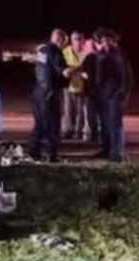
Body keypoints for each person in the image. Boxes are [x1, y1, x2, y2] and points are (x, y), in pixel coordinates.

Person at [29, 29, 71, 162]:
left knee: (40, 124)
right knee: (53, 125)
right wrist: (78, 70)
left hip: (38, 91)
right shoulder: (55, 52)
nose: (64, 46)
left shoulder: (42, 50)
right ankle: (51, 155)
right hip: (50, 93)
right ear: (60, 40)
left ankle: (33, 151)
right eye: (65, 43)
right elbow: (65, 72)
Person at [94, 28, 132, 162]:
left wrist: (122, 93)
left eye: (108, 40)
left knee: (115, 124)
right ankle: (107, 149)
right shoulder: (100, 55)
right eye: (103, 41)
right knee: (105, 124)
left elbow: (127, 77)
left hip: (115, 95)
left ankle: (118, 153)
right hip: (102, 95)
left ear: (113, 41)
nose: (105, 43)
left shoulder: (119, 56)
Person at [62, 31, 86, 140]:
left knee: (80, 112)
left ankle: (78, 131)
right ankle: (68, 130)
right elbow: (64, 67)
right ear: (72, 41)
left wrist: (75, 69)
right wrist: (77, 68)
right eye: (76, 39)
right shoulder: (66, 52)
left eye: (80, 39)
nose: (78, 41)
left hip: (82, 86)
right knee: (68, 110)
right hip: (69, 86)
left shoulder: (86, 53)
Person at [81, 38, 100, 143]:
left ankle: (94, 135)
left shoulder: (89, 58)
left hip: (92, 91)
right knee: (94, 114)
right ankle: (96, 134)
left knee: (92, 113)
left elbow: (85, 74)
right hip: (94, 91)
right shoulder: (100, 57)